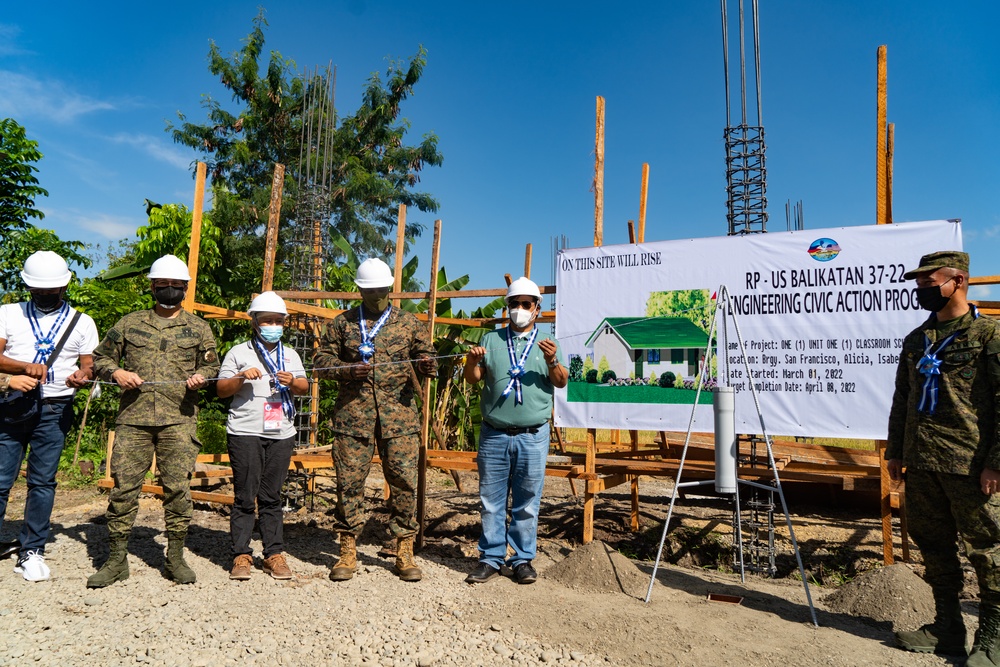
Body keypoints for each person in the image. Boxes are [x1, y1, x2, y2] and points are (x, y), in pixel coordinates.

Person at [887, 250, 1000, 665]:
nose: (922, 290)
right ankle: (947, 627)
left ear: (959, 281)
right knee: (933, 545)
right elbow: (903, 399)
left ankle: (993, 637)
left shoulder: (989, 335)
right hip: (922, 463)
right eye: (919, 285)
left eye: (929, 283)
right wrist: (896, 451)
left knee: (988, 549)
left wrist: (997, 462)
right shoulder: (916, 341)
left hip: (970, 465)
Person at [87, 254, 220, 588]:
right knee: (124, 489)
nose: (170, 291)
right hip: (134, 418)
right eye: (164, 285)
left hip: (179, 418)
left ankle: (175, 556)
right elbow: (100, 358)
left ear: (185, 289)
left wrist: (201, 377)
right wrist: (117, 372)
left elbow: (213, 366)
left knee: (177, 489)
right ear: (152, 286)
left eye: (177, 286)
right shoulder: (129, 323)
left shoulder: (198, 327)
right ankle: (116, 559)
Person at [313, 257, 436, 582]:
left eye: (382, 290)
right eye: (370, 291)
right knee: (349, 484)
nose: (377, 296)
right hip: (353, 418)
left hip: (400, 419)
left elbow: (429, 356)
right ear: (360, 290)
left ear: (391, 289)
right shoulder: (342, 323)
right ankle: (347, 550)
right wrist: (347, 370)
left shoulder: (409, 324)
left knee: (404, 484)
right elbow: (320, 362)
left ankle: (404, 550)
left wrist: (426, 365)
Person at [0, 251, 98, 581]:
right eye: (39, 290)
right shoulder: (8, 313)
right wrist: (21, 367)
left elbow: (88, 363)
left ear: (64, 287)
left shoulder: (82, 321)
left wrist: (82, 376)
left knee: (42, 481)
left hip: (56, 408)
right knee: (1, 479)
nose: (45, 295)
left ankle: (32, 549)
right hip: (13, 403)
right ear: (28, 287)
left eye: (51, 290)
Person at [463, 276, 567, 584]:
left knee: (527, 501)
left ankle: (522, 559)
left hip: (533, 435)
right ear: (507, 307)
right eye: (514, 304)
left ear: (537, 309)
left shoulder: (550, 343)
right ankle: (491, 558)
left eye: (526, 304)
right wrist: (470, 361)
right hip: (494, 433)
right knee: (491, 500)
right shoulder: (491, 340)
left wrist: (551, 360)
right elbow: (473, 378)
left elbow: (561, 381)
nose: (520, 309)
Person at [216, 291, 309, 581]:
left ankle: (273, 554)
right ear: (254, 322)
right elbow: (220, 389)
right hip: (245, 431)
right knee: (245, 495)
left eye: (278, 321)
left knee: (271, 496)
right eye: (267, 320)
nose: (273, 325)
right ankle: (241, 554)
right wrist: (241, 376)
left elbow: (305, 386)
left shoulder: (290, 354)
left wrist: (293, 381)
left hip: (281, 432)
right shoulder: (238, 353)